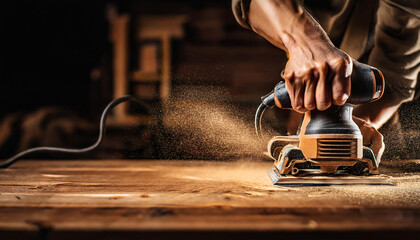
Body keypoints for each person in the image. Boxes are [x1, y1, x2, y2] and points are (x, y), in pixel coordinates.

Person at [232, 0, 420, 161]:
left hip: (375, 110)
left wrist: (356, 125)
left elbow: (394, 79)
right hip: (303, 82)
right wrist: (305, 42)